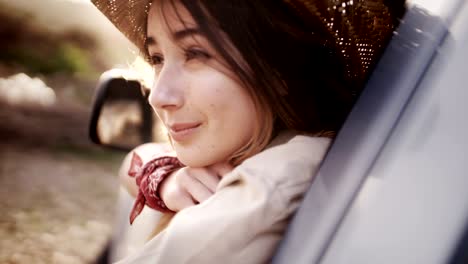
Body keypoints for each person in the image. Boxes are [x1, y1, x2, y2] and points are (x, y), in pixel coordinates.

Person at [91, 0, 404, 263]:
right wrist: (162, 176)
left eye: (196, 53)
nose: (158, 96)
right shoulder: (258, 153)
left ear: (281, 68)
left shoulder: (268, 185)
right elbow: (136, 161)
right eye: (157, 58)